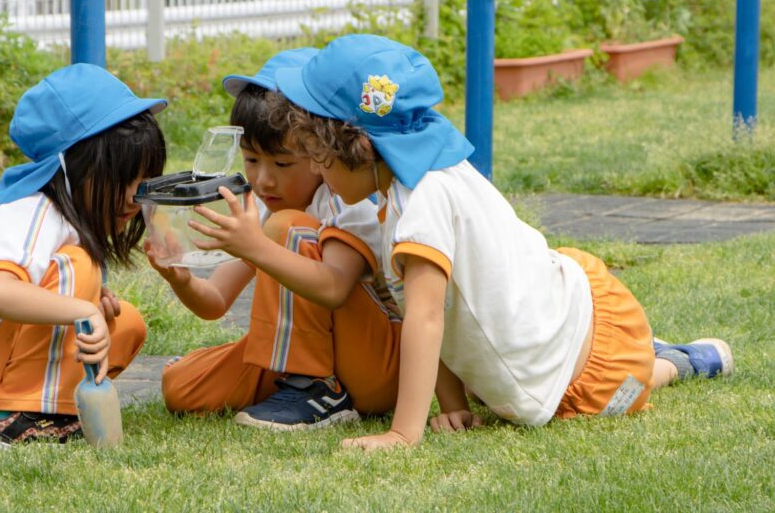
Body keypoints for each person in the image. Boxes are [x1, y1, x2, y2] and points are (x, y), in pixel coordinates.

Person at [270, 34, 734, 450]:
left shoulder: (421, 204)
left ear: (361, 149)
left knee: (636, 383)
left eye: (318, 158)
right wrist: (451, 404)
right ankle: (656, 351)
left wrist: (403, 432)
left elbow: (427, 319)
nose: (315, 172)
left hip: (591, 360)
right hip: (556, 307)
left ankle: (682, 360)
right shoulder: (419, 177)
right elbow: (433, 310)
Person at [0, 63, 168, 445]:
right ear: (71, 169)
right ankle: (20, 419)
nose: (132, 196)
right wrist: (82, 307)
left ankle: (36, 413)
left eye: (142, 179)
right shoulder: (33, 212)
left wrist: (89, 302)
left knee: (127, 324)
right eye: (120, 179)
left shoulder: (65, 223)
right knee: (79, 269)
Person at [147, 48, 403, 431]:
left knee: (286, 227)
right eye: (251, 160)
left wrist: (256, 245)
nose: (264, 180)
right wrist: (179, 278)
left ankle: (315, 389)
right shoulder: (269, 217)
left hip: (377, 368)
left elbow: (334, 289)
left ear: (321, 153)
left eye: (282, 164)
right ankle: (302, 381)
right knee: (182, 386)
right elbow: (215, 303)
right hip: (323, 357)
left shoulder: (346, 203)